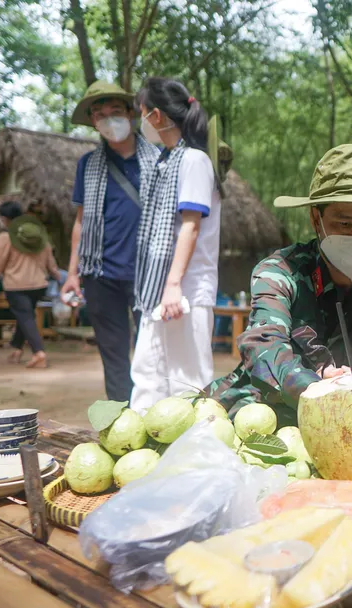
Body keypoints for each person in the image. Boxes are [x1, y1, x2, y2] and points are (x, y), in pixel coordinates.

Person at [205, 144, 352, 423]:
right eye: (344, 224)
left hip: (350, 422)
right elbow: (263, 347)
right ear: (316, 218)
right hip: (264, 411)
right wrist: (315, 387)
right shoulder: (280, 273)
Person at [62, 81, 161, 401]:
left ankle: (155, 414)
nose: (109, 119)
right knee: (113, 355)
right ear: (93, 122)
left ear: (131, 114)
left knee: (154, 353)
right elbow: (80, 222)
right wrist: (72, 273)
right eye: (100, 114)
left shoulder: (160, 159)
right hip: (100, 275)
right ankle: (122, 418)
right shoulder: (87, 164)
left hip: (150, 272)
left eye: (115, 111)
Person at [129, 77, 220, 412]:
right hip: (157, 288)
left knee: (187, 384)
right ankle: (140, 442)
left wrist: (173, 284)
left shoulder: (194, 161)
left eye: (141, 113)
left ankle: (197, 446)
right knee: (147, 377)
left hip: (185, 289)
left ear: (155, 116)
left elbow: (190, 226)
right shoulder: (165, 161)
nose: (141, 122)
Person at [0, 213, 63, 368]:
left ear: (5, 219)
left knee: (25, 316)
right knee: (26, 315)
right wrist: (58, 277)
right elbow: (51, 263)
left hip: (16, 285)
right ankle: (17, 348)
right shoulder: (39, 236)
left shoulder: (6, 237)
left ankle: (39, 352)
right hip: (39, 284)